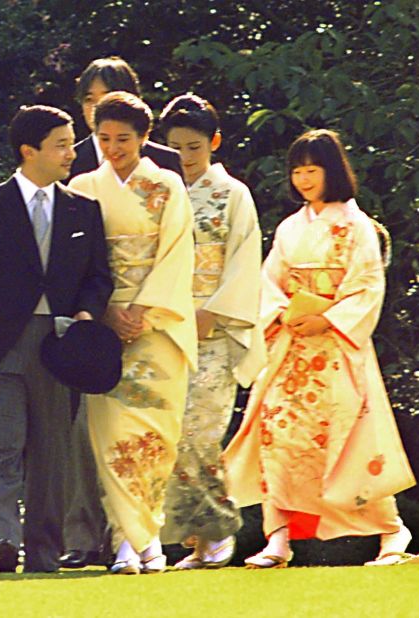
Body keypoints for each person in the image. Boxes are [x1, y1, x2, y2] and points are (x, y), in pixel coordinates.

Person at [223, 129, 415, 568]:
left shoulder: (357, 226)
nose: (304, 179)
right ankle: (279, 537)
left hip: (335, 348)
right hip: (293, 345)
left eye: (312, 169)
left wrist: (326, 318)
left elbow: (366, 285)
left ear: (333, 171)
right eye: (297, 170)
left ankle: (391, 531)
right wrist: (287, 314)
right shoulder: (292, 227)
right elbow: (270, 281)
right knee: (277, 437)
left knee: (351, 441)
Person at [0, 105, 113, 573]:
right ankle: (2, 540)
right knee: (0, 445)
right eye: (62, 144)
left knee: (52, 455)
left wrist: (87, 313)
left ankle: (43, 553)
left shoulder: (84, 209)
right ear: (30, 151)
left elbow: (98, 277)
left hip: (60, 346)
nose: (72, 152)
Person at [61, 56, 184, 570]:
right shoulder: (84, 187)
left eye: (123, 140)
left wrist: (142, 310)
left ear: (144, 136)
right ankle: (129, 542)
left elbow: (178, 253)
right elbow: (78, 261)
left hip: (155, 322)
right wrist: (107, 311)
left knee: (153, 434)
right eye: (104, 139)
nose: (113, 150)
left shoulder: (167, 186)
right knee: (109, 436)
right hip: (105, 324)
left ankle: (143, 540)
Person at [157, 93, 266, 568]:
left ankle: (218, 529)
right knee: (166, 432)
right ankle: (194, 537)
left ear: (214, 143)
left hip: (214, 327)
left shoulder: (231, 194)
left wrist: (214, 313)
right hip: (164, 322)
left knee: (200, 431)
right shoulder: (157, 191)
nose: (184, 157)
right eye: (175, 146)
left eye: (194, 146)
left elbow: (244, 261)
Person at [68, 56, 182, 181]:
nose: (97, 107)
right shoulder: (67, 162)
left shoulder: (166, 160)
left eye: (106, 97)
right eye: (89, 100)